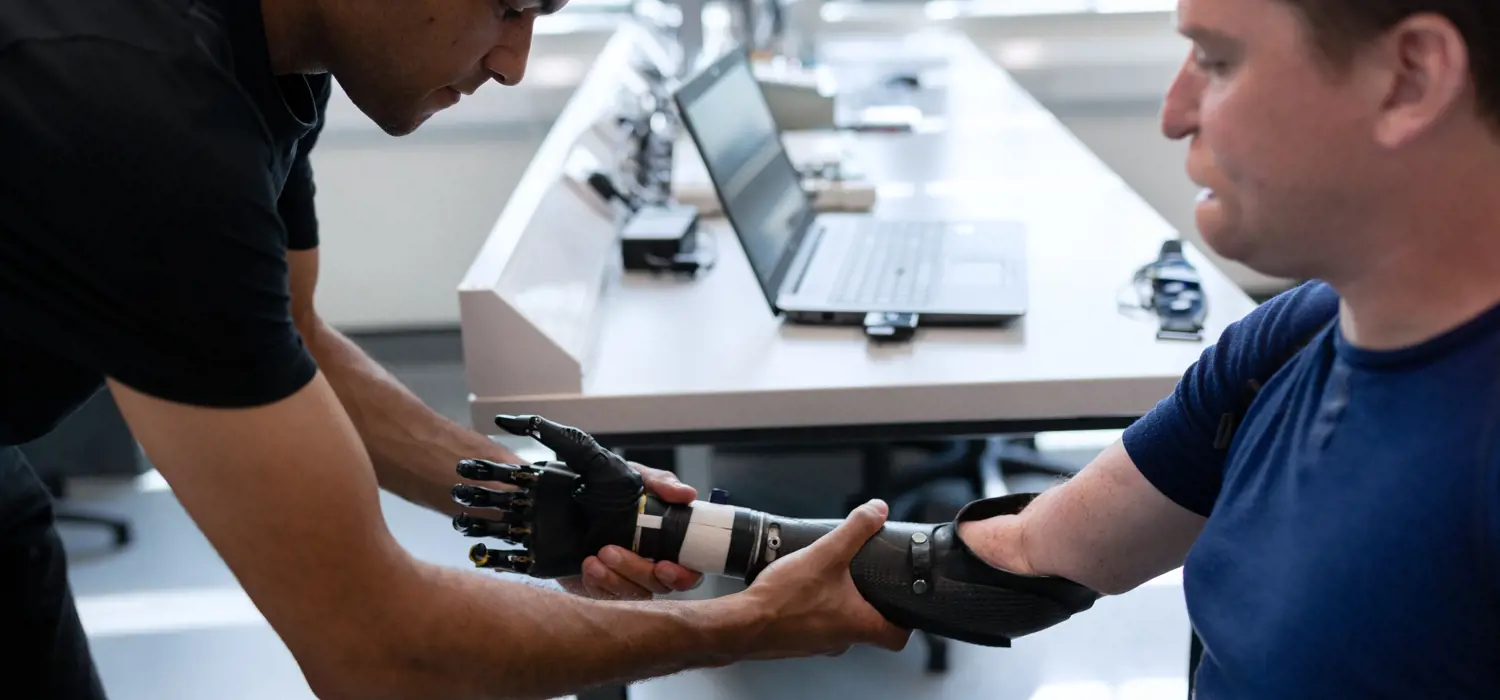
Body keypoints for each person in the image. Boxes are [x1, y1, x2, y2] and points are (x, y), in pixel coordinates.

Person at [0, 0, 908, 698]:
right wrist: (746, 625)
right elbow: (377, 651)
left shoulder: (273, 50)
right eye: (506, 7)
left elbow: (298, 334)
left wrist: (537, 501)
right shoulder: (141, 113)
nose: (514, 65)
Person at [956, 0, 1500, 696]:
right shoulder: (1299, 334)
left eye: (1216, 62)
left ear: (1411, 78)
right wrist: (777, 554)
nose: (1174, 114)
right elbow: (1033, 551)